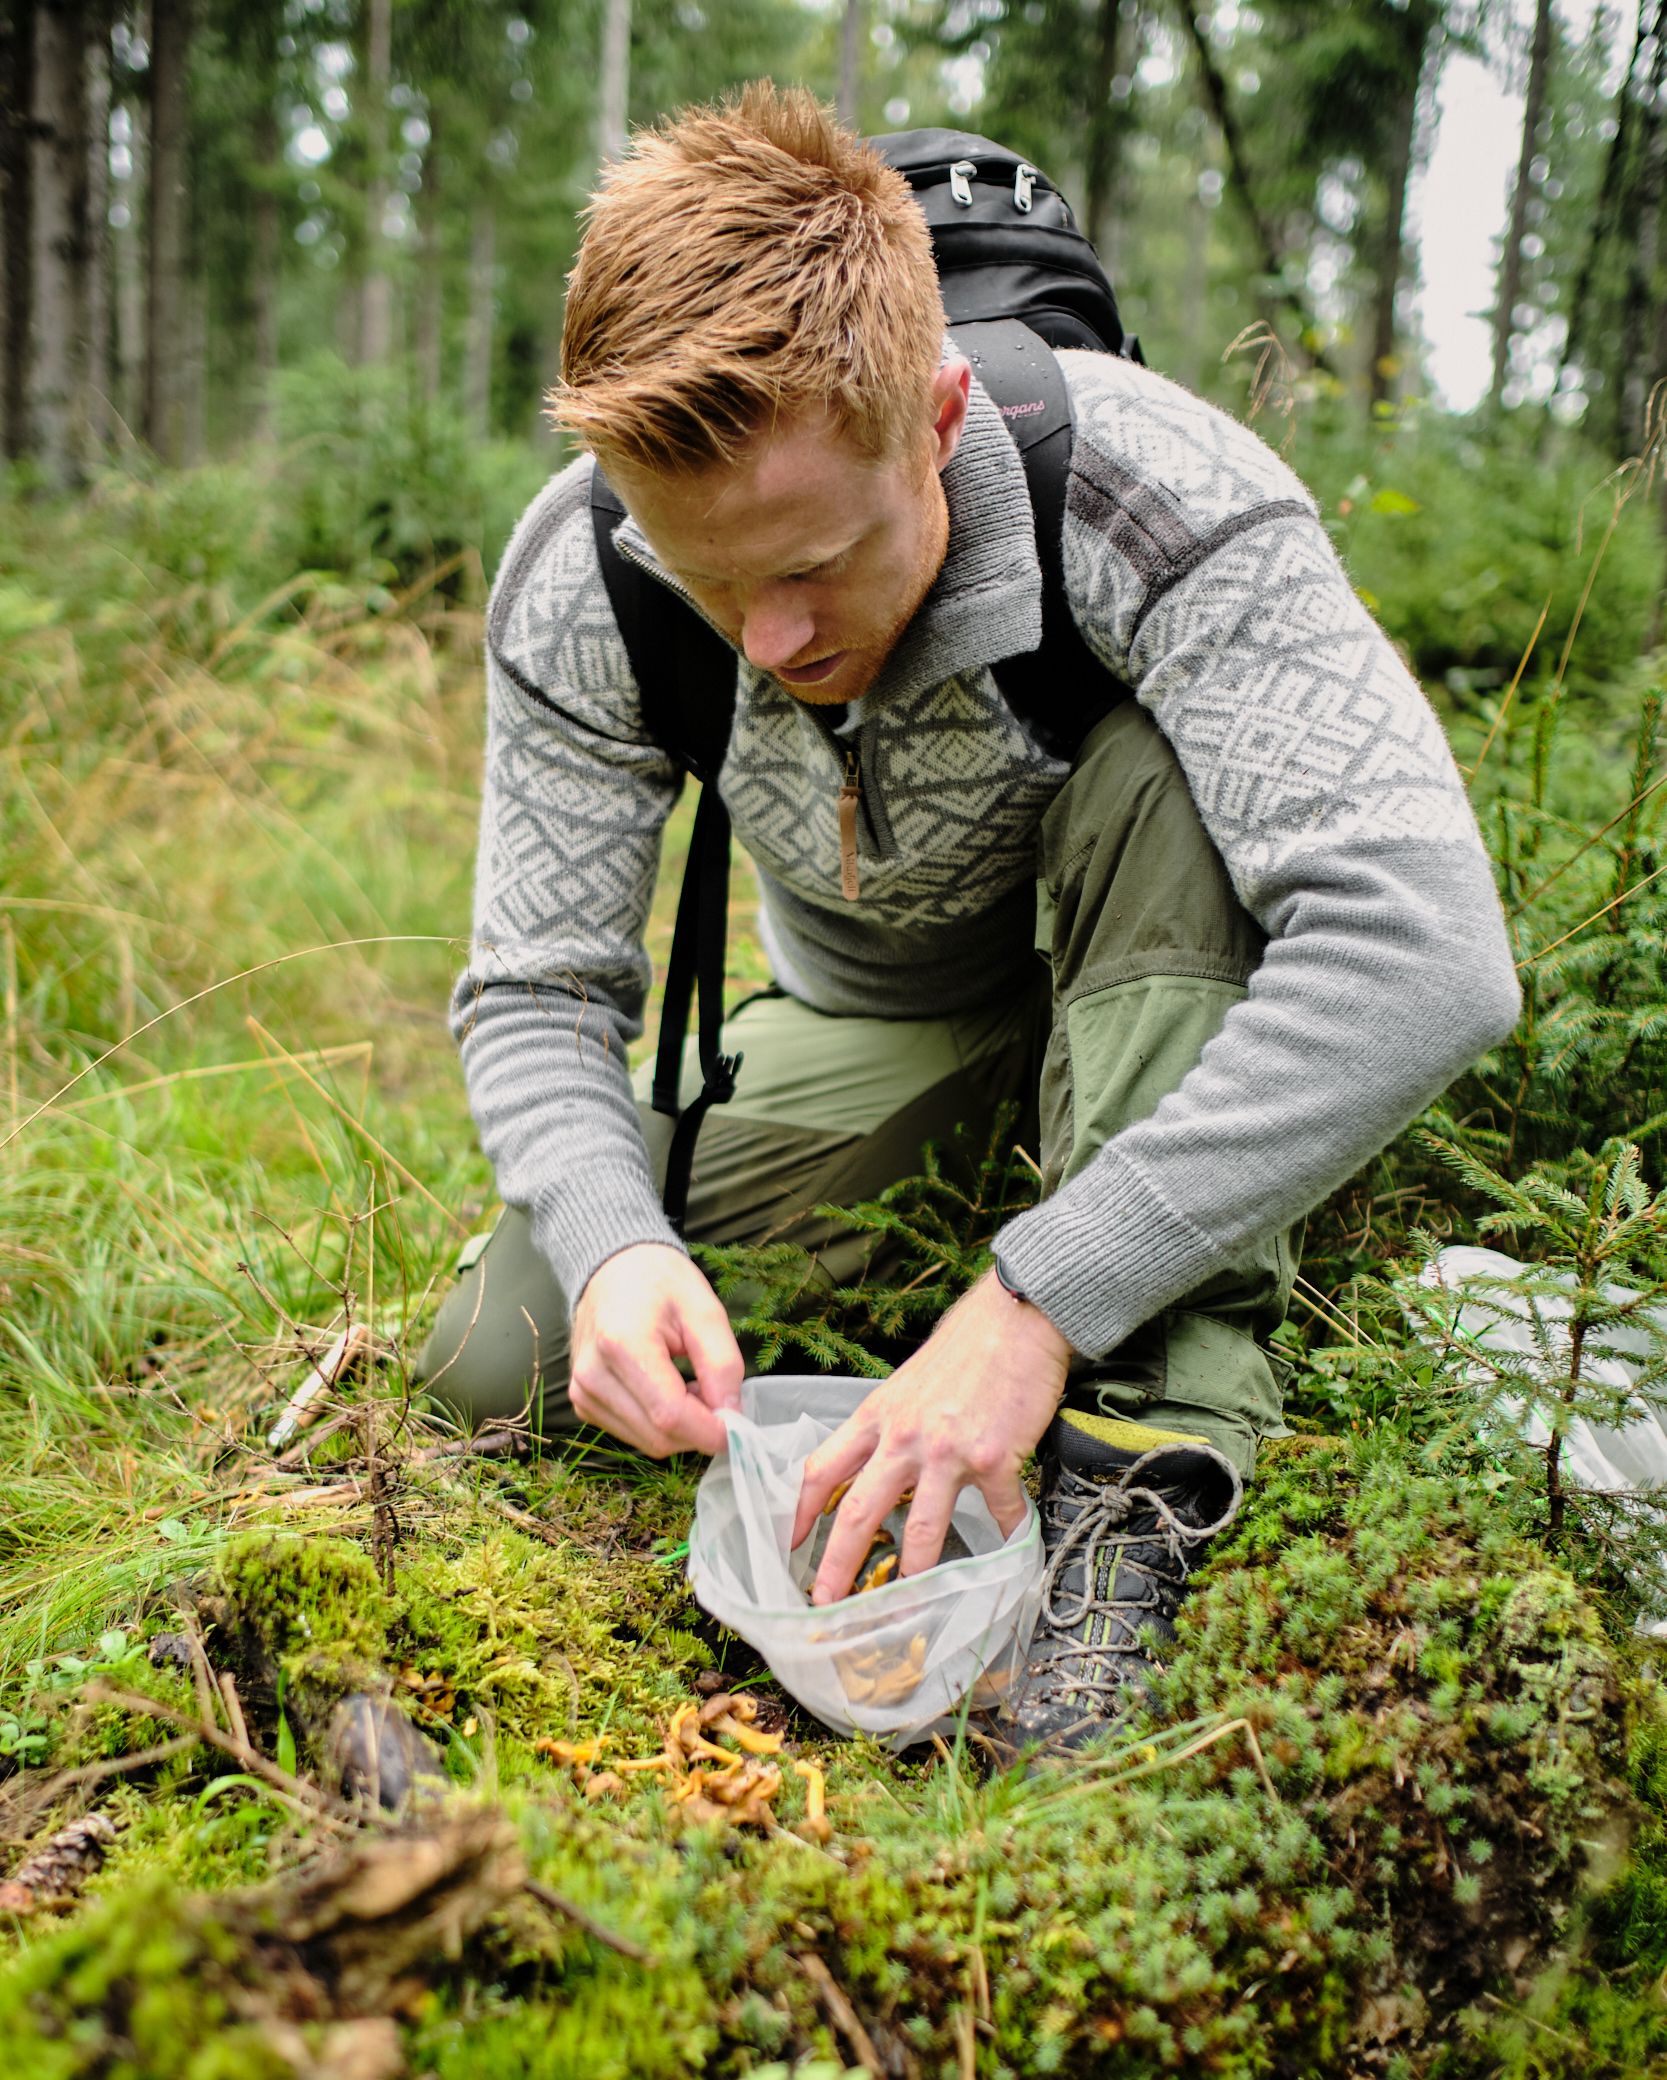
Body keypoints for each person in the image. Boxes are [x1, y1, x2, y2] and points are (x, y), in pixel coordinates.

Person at [418, 82, 1519, 1750]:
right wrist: (614, 1242)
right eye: (712, 581)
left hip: (1159, 969)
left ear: (934, 422)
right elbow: (537, 992)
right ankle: (1031, 1205)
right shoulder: (586, 571)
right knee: (501, 1357)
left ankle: (1145, 1459)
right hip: (882, 1013)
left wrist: (1035, 1306)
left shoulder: (1153, 492)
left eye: (816, 564)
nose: (771, 640)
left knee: (1160, 769)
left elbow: (1430, 950)